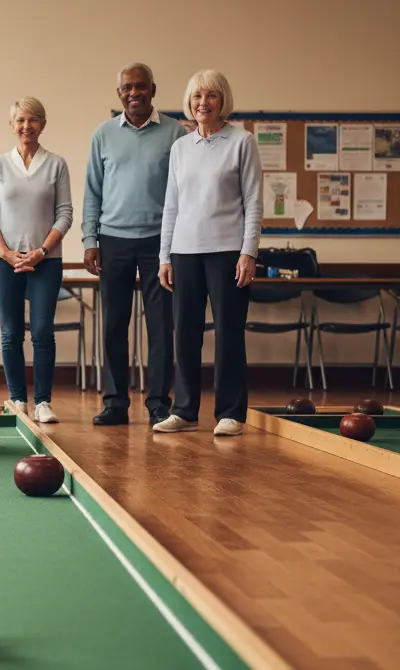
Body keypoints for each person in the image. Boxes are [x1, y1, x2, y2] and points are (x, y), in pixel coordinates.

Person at [153, 69, 262, 437]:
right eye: (197, 96)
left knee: (230, 333)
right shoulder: (180, 147)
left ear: (222, 101)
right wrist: (164, 256)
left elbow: (254, 202)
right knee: (185, 334)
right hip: (184, 252)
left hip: (228, 251)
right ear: (190, 102)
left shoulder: (242, 141)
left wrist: (248, 253)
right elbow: (171, 206)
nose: (204, 103)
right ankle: (183, 410)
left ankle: (231, 413)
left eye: (211, 95)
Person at [83, 63, 186, 427]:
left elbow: (183, 193)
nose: (134, 93)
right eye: (128, 87)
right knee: (114, 324)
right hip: (113, 241)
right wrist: (89, 239)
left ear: (153, 90)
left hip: (161, 242)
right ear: (119, 93)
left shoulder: (176, 133)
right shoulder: (103, 135)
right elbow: (92, 192)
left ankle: (159, 403)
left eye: (141, 87)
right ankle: (114, 403)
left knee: (161, 326)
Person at [0, 96, 73, 423]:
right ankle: (18, 398)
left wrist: (41, 251)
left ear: (42, 125)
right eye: (20, 120)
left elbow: (64, 215)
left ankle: (44, 401)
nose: (26, 126)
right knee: (10, 332)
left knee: (43, 330)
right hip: (4, 262)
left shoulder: (56, 164)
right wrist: (6, 253)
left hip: (45, 261)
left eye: (33, 120)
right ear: (11, 125)